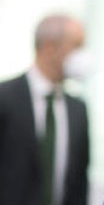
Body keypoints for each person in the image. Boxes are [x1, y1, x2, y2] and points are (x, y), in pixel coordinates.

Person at [0, 14, 91, 205]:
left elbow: (79, 183)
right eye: (77, 46)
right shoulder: (5, 98)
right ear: (49, 47)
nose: (82, 55)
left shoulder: (78, 110)